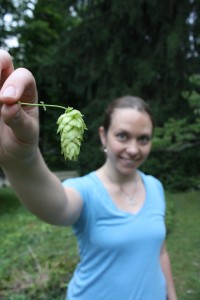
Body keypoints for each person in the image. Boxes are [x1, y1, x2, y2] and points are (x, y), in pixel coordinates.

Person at [0, 49, 177, 300]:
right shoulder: (85, 190)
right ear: (104, 135)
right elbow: (57, 206)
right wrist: (20, 159)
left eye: (144, 139)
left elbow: (159, 252)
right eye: (123, 135)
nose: (134, 149)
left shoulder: (155, 187)